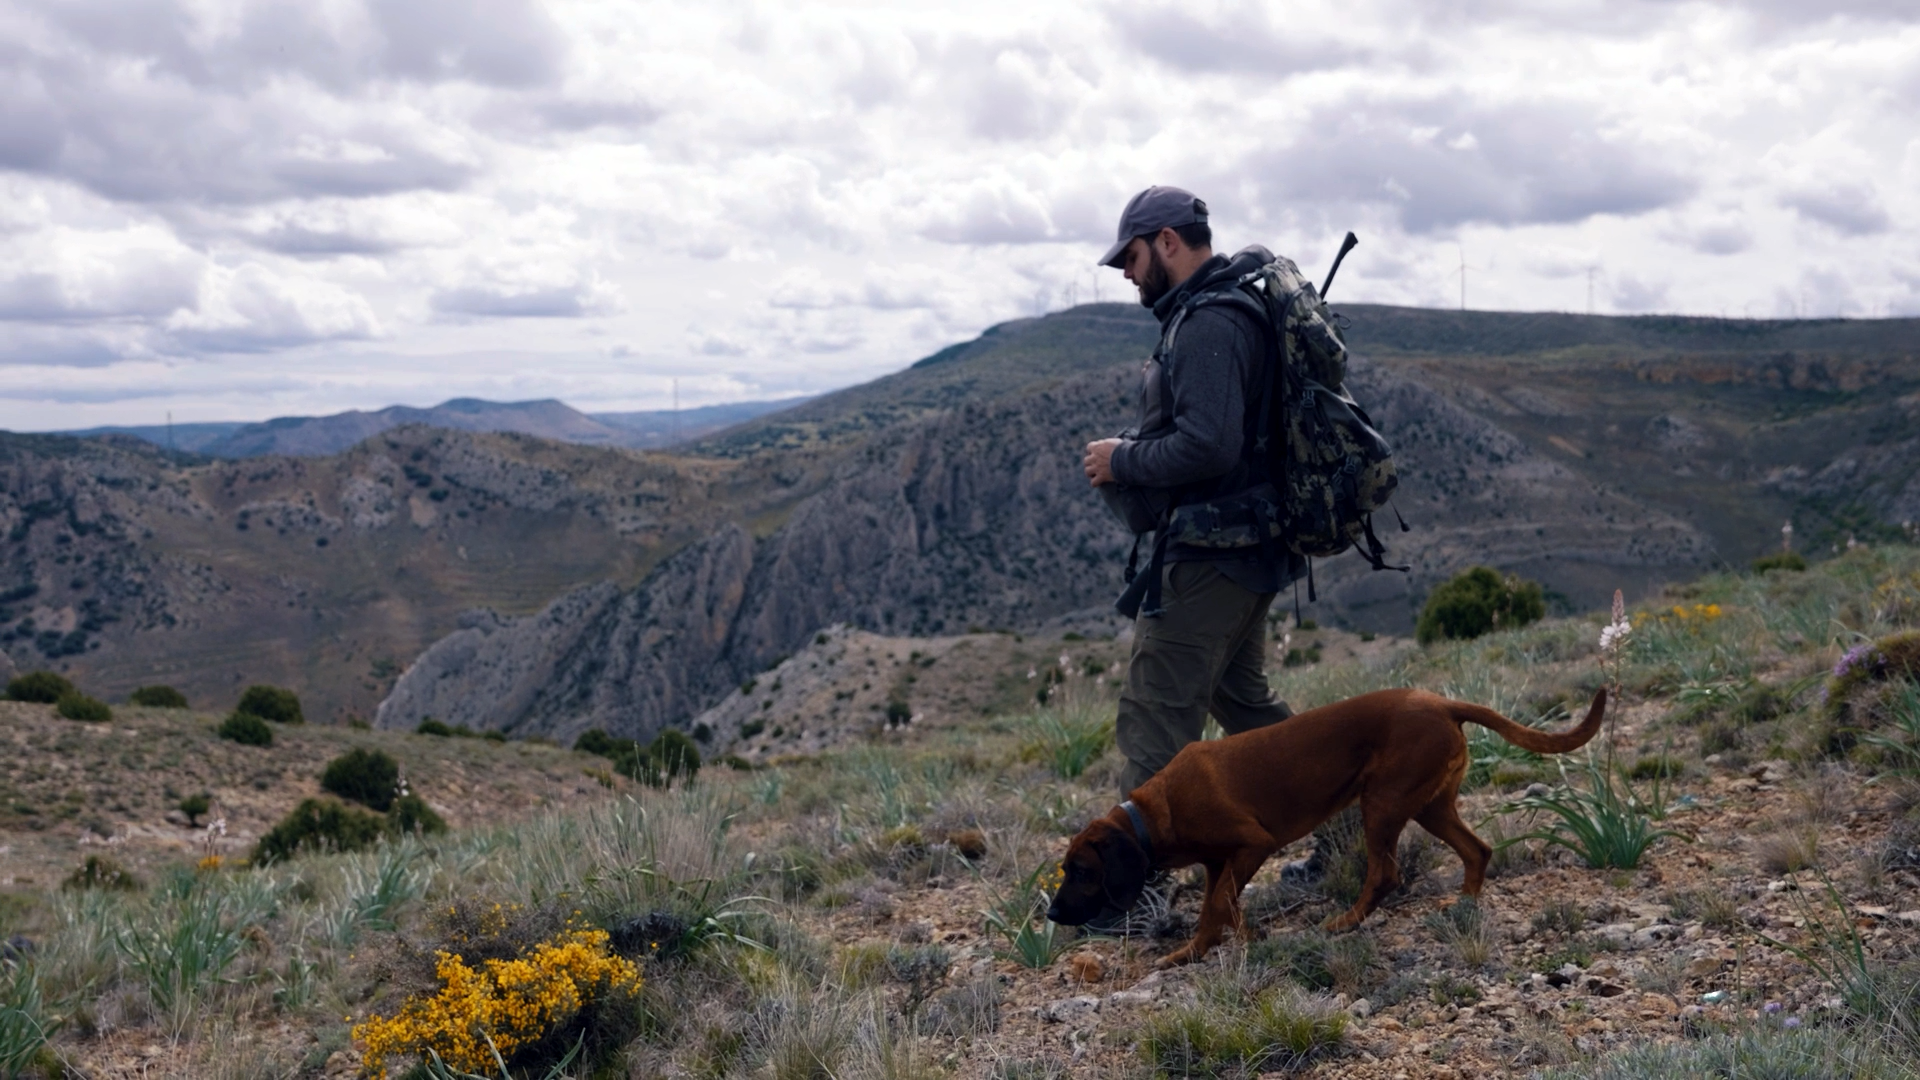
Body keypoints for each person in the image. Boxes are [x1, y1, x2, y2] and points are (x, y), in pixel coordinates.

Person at [1082, 187, 1325, 904]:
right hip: (1249, 550)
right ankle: (1351, 830)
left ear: (1166, 241)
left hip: (1213, 556)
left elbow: (1210, 445)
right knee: (1246, 708)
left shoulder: (1210, 321)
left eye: (1130, 258)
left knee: (1155, 716)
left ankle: (1129, 896)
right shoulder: (1230, 308)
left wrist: (1121, 460)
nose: (1127, 274)